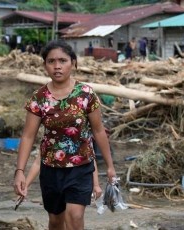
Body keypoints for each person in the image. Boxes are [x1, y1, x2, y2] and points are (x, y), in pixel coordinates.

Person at [13, 39, 116, 230]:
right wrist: (20, 171)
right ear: (45, 65)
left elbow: (98, 130)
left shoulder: (86, 94)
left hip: (81, 167)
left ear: (73, 63)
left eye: (62, 60)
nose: (57, 66)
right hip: (50, 168)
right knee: (55, 221)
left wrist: (110, 166)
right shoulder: (39, 98)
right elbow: (28, 136)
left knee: (75, 217)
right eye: (51, 61)